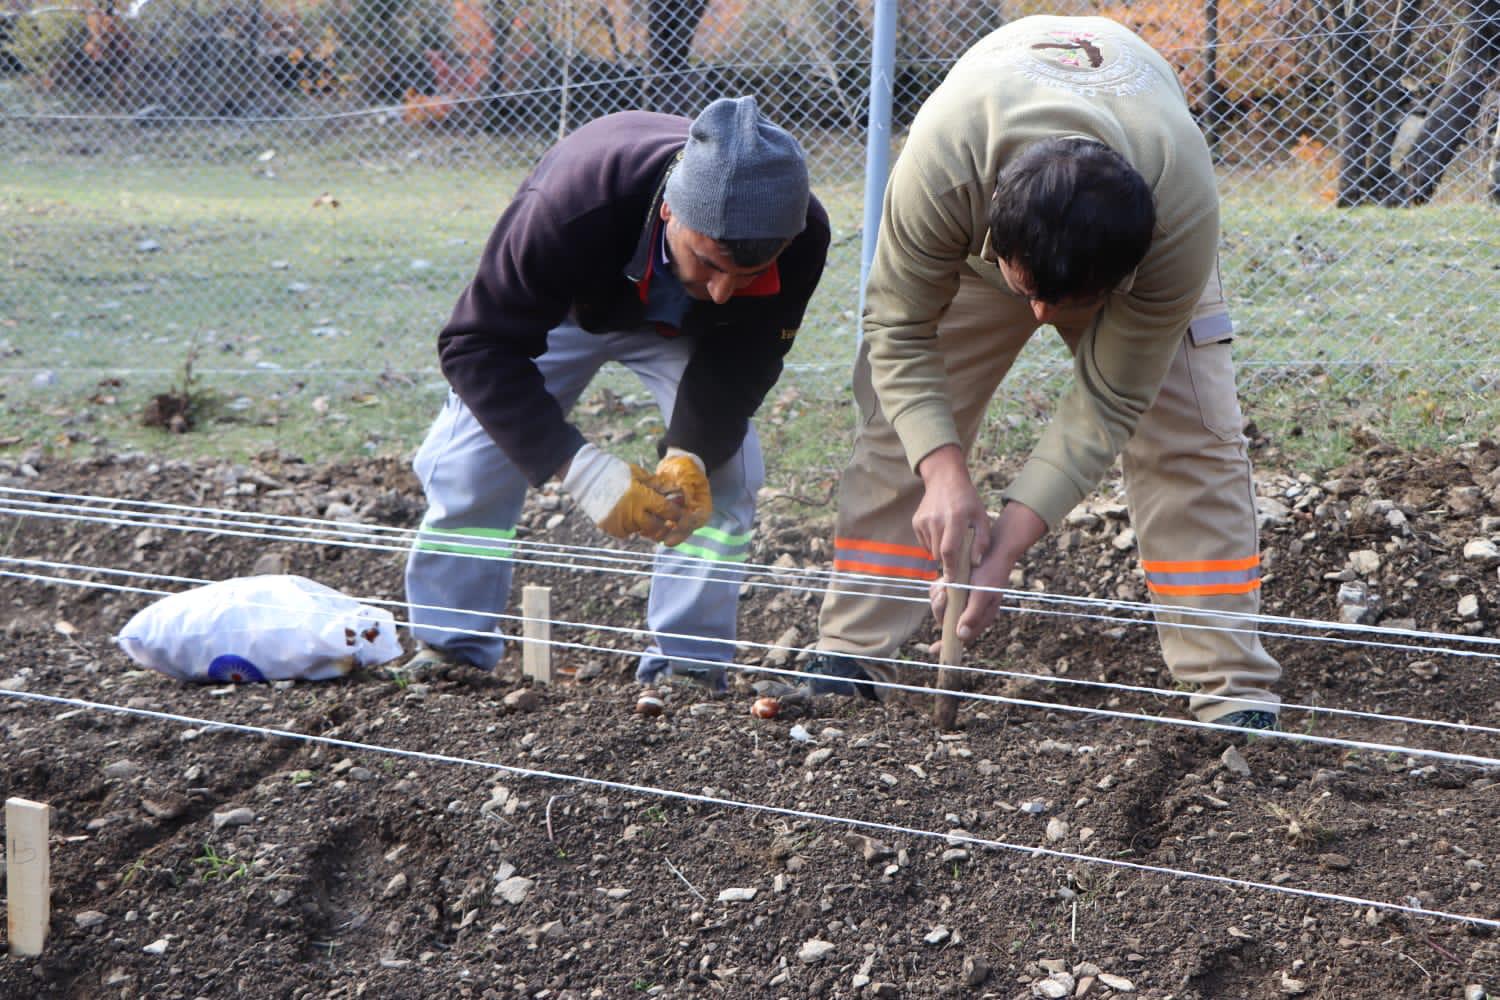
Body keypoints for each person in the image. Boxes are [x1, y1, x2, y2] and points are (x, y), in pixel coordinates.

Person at [802, 15, 1281, 730]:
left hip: (1122, 245)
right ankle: (851, 650)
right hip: (973, 251)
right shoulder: (945, 166)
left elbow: (1111, 396)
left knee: (1189, 440)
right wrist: (942, 469)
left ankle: (1231, 689)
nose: (1040, 317)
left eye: (1062, 305)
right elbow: (899, 330)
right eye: (1029, 294)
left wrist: (1006, 547)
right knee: (897, 426)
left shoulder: (1177, 217)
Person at [401, 96, 830, 690]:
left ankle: (689, 666)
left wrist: (691, 450)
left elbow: (747, 355)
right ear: (674, 214)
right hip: (569, 308)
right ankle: (451, 648)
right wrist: (580, 468)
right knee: (472, 463)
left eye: (750, 276)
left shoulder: (801, 234)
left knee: (727, 476)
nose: (727, 292)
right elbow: (477, 346)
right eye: (709, 262)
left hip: (682, 331)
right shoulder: (575, 201)